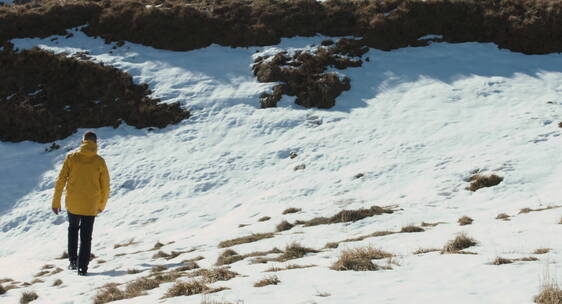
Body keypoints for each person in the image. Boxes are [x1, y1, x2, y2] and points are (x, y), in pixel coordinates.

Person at [52, 131, 110, 276]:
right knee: (86, 236)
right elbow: (106, 187)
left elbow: (61, 180)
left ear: (83, 141)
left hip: (73, 203)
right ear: (95, 143)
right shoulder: (99, 161)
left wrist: (56, 201)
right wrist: (101, 206)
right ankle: (82, 268)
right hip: (90, 206)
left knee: (73, 230)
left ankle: (72, 261)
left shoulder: (72, 157)